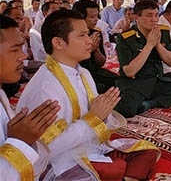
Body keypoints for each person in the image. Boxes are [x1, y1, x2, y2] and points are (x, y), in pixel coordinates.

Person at [17, 9, 161, 180]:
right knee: (100, 173)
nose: (89, 41)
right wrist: (93, 118)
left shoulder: (83, 72)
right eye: (82, 35)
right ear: (58, 43)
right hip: (60, 161)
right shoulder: (45, 87)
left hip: (89, 147)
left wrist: (104, 113)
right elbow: (49, 146)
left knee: (147, 151)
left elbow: (98, 117)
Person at [114, 0, 171, 117]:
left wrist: (158, 44)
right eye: (149, 15)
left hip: (156, 80)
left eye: (156, 15)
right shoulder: (125, 38)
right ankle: (145, 100)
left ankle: (151, 103)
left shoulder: (162, 31)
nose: (154, 19)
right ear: (137, 17)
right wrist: (149, 45)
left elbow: (170, 61)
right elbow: (129, 72)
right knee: (127, 109)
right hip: (136, 83)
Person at [0, 14, 61, 180]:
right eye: (15, 49)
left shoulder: (2, 94)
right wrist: (19, 141)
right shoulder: (44, 82)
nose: (24, 56)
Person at [72, 0, 118, 94]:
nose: (96, 19)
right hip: (76, 73)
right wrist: (88, 50)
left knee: (120, 81)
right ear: (80, 18)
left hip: (96, 71)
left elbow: (102, 63)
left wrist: (96, 50)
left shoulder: (96, 33)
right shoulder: (71, 36)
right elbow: (70, 63)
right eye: (92, 17)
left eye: (97, 16)